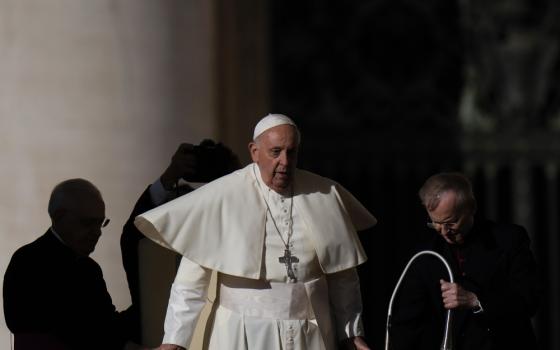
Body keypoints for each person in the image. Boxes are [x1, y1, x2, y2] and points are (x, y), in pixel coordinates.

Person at [134, 114, 377, 350]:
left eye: (291, 152)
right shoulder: (221, 197)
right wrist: (175, 340)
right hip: (241, 333)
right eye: (275, 152)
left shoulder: (324, 195)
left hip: (311, 334)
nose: (284, 161)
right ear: (254, 152)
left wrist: (351, 333)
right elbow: (190, 284)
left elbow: (342, 277)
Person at [390, 172, 540, 350]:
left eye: (451, 222)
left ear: (471, 207)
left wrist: (475, 301)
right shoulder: (426, 255)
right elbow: (408, 322)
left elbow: (528, 300)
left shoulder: (508, 240)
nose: (444, 232)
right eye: (435, 224)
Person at [3, 178, 149, 350]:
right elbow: (78, 330)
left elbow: (105, 326)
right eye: (88, 223)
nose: (97, 232)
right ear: (59, 217)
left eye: (101, 223)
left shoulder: (88, 267)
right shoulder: (28, 262)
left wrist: (152, 306)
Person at [120, 140, 241, 344]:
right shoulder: (149, 249)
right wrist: (169, 178)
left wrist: (235, 179)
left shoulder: (232, 239)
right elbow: (134, 233)